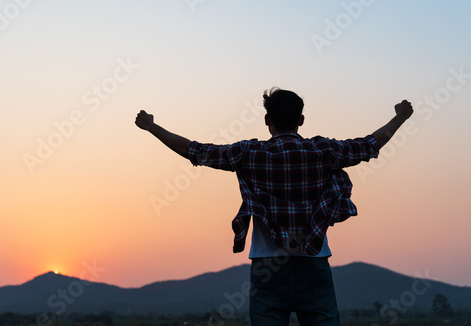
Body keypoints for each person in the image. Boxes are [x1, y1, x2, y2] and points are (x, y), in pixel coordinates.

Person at [134, 88, 414, 326]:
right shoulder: (324, 151)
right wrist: (400, 117)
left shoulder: (250, 154)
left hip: (267, 269)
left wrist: (151, 127)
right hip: (314, 263)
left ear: (268, 120)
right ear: (301, 120)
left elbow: (195, 150)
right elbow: (371, 144)